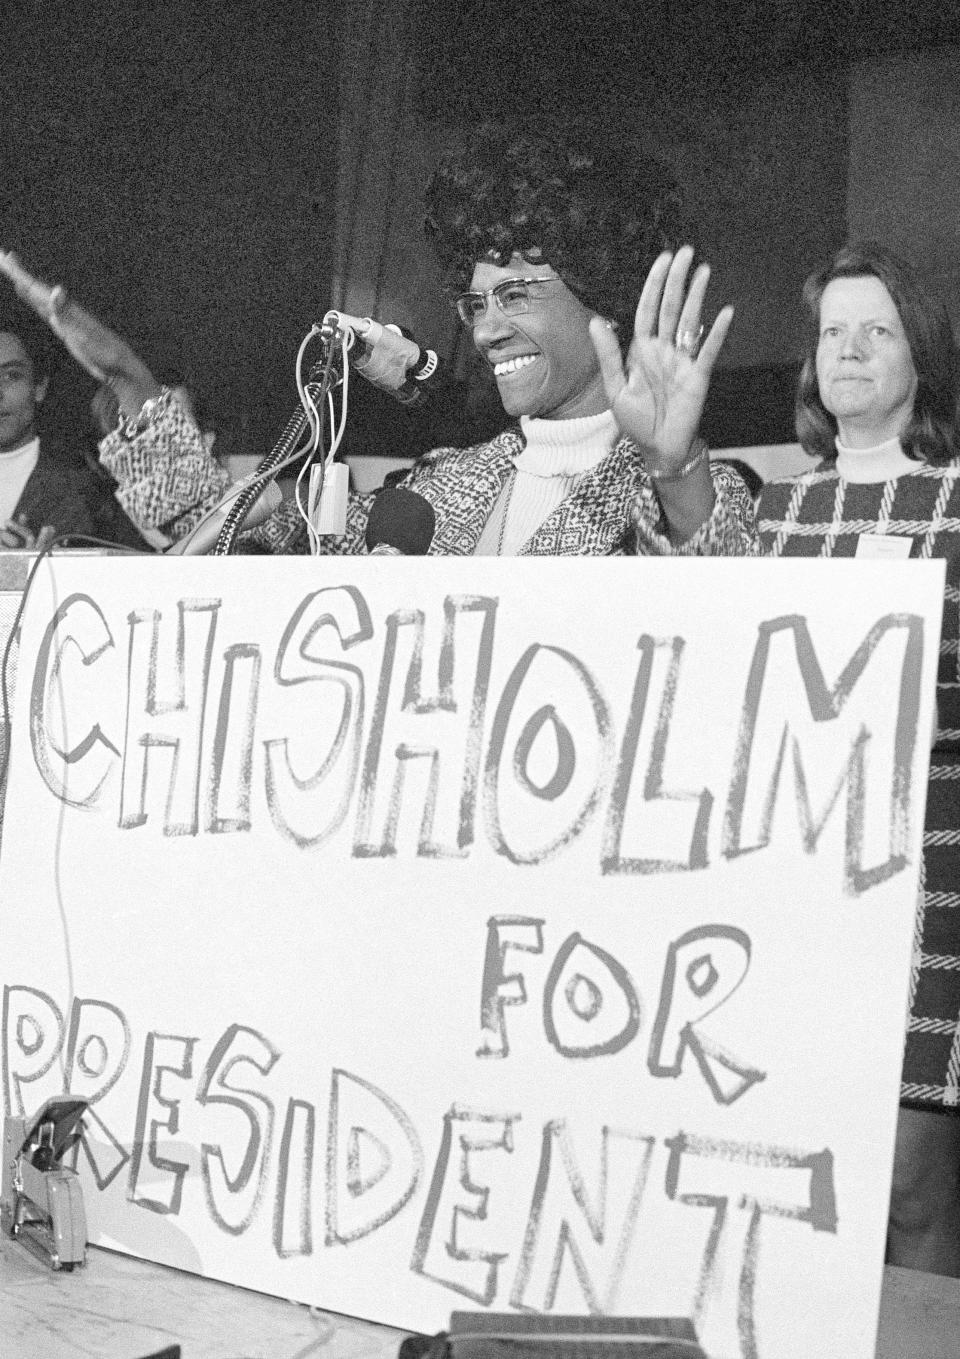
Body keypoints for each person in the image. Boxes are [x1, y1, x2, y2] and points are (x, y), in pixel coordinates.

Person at [0, 124, 756, 558]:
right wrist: (125, 372)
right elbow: (206, 519)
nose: (488, 328)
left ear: (606, 296)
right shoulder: (437, 494)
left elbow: (738, 629)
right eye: (474, 302)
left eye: (517, 294)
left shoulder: (673, 489)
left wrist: (678, 467)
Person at [0, 299, 150, 552]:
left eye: (11, 376)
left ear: (39, 387)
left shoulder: (87, 492)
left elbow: (143, 574)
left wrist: (46, 571)